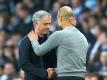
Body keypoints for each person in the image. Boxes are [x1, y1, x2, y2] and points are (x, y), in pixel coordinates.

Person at [28, 6, 88, 80]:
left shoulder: (58, 35)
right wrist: (58, 69)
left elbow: (39, 51)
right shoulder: (83, 37)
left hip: (65, 78)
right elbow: (75, 62)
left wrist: (34, 40)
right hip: (81, 77)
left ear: (60, 18)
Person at [18, 10, 57, 80]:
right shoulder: (25, 41)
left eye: (49, 23)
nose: (48, 26)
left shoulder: (53, 36)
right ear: (35, 24)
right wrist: (44, 73)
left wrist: (55, 70)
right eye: (45, 24)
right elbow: (24, 64)